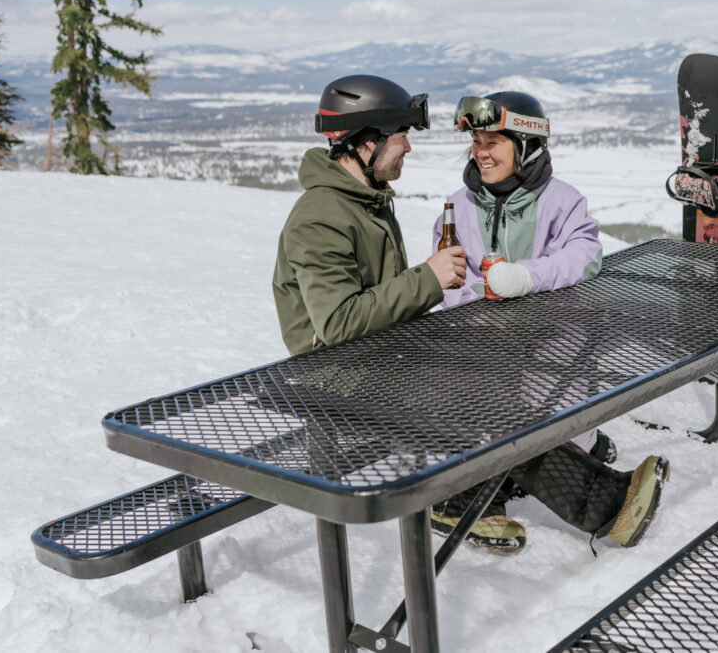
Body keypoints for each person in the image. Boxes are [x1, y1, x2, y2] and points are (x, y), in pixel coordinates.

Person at [428, 90, 670, 552]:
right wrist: (480, 300)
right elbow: (450, 284)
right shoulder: (456, 207)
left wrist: (527, 276)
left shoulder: (561, 201)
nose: (481, 151)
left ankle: (479, 492)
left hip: (550, 347)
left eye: (493, 141)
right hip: (485, 353)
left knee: (530, 419)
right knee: (499, 415)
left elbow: (585, 255)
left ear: (527, 144)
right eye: (476, 141)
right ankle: (603, 504)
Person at [272, 73, 466, 356]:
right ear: (370, 142)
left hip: (377, 359)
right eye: (402, 137)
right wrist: (429, 279)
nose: (408, 148)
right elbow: (339, 323)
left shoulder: (366, 201)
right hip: (338, 381)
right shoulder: (319, 219)